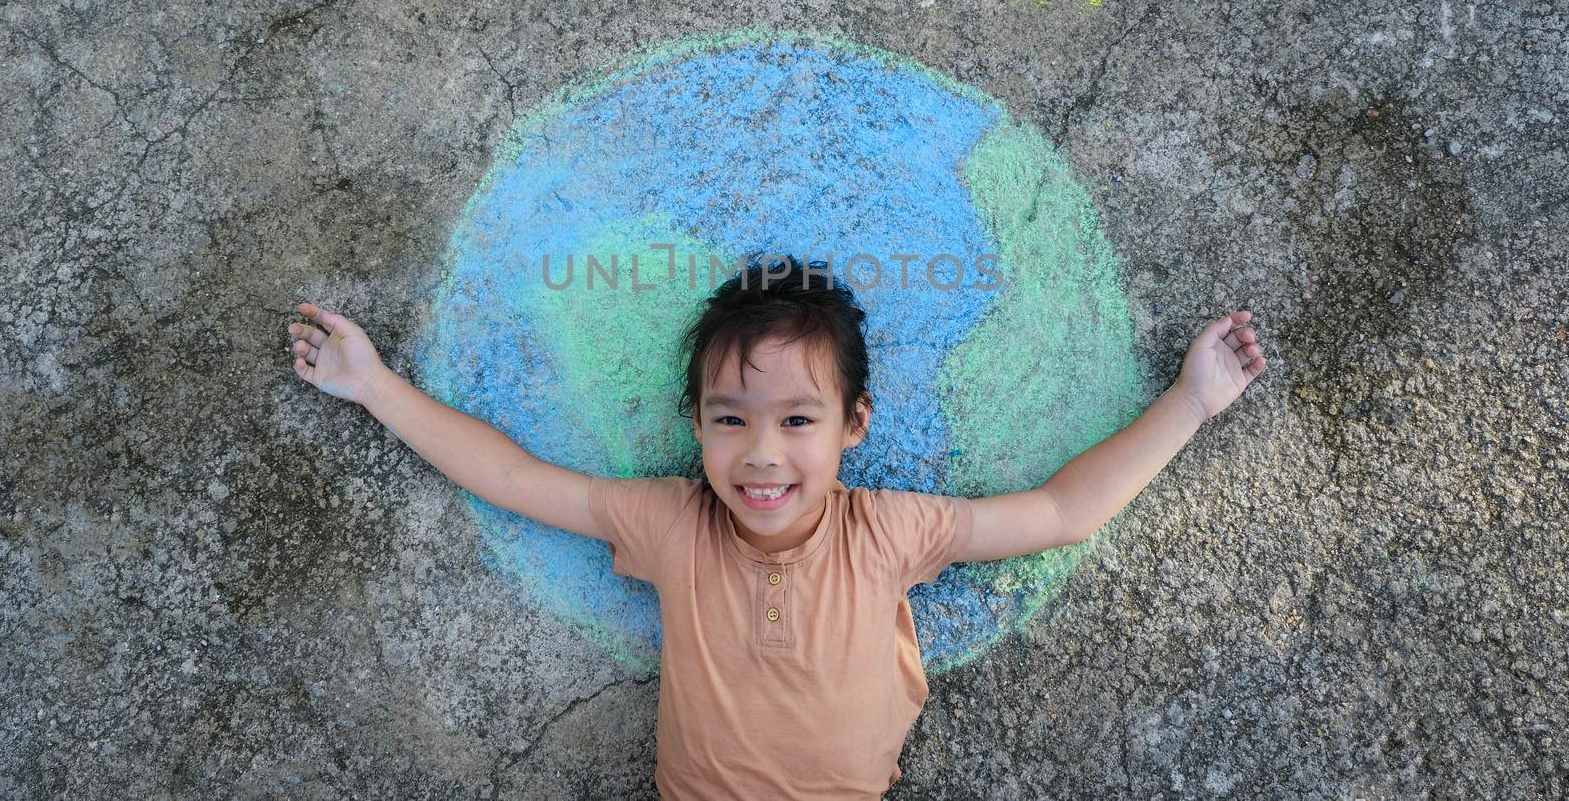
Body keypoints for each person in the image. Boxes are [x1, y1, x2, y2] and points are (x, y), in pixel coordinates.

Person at [286, 254, 1267, 799]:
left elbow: (1062, 511)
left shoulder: (887, 530)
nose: (761, 453)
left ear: (853, 426)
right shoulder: (671, 521)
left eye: (797, 419)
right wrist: (374, 386)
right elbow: (511, 474)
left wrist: (1191, 399)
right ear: (697, 426)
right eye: (730, 418)